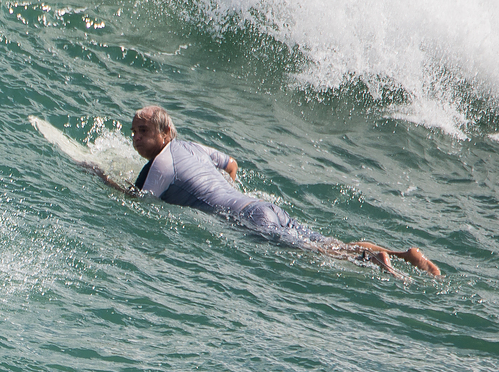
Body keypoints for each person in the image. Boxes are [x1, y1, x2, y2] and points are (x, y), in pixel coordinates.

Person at [127, 105, 440, 277]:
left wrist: (100, 175)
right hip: (259, 206)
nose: (137, 138)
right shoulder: (190, 147)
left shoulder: (160, 166)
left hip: (247, 217)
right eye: (133, 132)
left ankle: (369, 257)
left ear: (166, 132)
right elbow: (231, 164)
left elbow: (138, 204)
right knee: (324, 242)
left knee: (315, 251)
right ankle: (402, 254)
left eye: (144, 131)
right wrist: (228, 189)